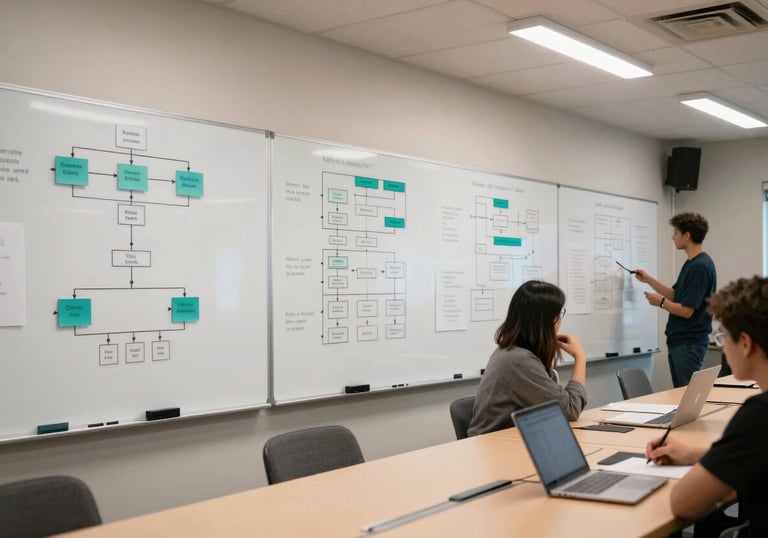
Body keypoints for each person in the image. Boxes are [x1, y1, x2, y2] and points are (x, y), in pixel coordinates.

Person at [646, 276, 768, 537]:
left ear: (745, 343)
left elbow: (683, 503)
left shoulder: (760, 414)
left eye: (723, 336)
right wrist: (696, 455)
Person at [467, 280, 587, 436]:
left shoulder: (512, 352)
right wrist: (580, 357)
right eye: (558, 315)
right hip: (496, 449)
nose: (559, 321)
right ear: (545, 321)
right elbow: (570, 410)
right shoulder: (519, 362)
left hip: (514, 442)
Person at [635, 212, 716, 387]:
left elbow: (687, 311)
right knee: (681, 394)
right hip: (682, 342)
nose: (673, 237)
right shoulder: (692, 263)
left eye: (676, 232)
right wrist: (648, 279)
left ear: (687, 236)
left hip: (689, 343)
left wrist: (661, 303)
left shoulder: (700, 267)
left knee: (686, 397)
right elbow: (674, 294)